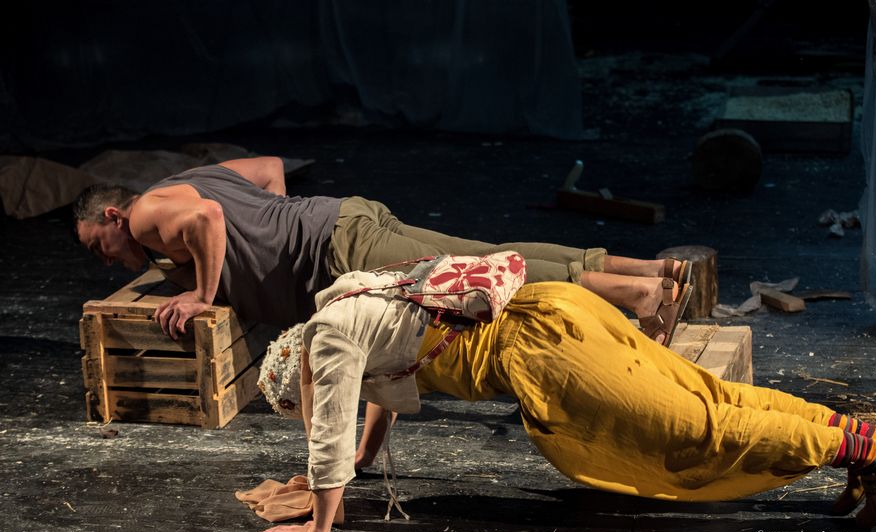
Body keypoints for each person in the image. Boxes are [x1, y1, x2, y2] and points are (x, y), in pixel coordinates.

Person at [251, 268, 876, 532]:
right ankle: (863, 442)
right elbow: (381, 385)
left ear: (298, 377)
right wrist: (365, 458)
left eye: (301, 398)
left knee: (694, 427)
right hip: (553, 309)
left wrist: (319, 524)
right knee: (711, 397)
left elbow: (327, 427)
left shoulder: (327, 342)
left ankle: (874, 454)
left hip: (546, 352)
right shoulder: (348, 299)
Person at [72, 156, 691, 345]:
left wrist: (202, 294)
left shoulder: (148, 215)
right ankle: (652, 272)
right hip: (342, 220)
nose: (106, 259)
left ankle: (638, 296)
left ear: (113, 216)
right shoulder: (187, 178)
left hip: (337, 247)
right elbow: (267, 169)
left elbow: (208, 219)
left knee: (480, 277)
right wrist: (274, 228)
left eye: (100, 246)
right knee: (489, 254)